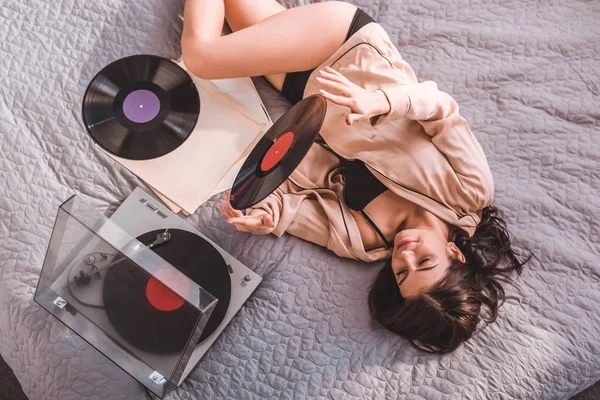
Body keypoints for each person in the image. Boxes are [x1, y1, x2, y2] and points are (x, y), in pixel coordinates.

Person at [182, 0, 530, 353]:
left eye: (402, 274)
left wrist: (264, 216)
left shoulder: (366, 243)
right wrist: (381, 101)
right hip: (346, 48)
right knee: (201, 57)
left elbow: (293, 208)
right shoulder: (470, 191)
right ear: (456, 253)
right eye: (424, 261)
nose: (405, 256)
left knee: (231, 9)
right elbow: (440, 107)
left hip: (305, 92)